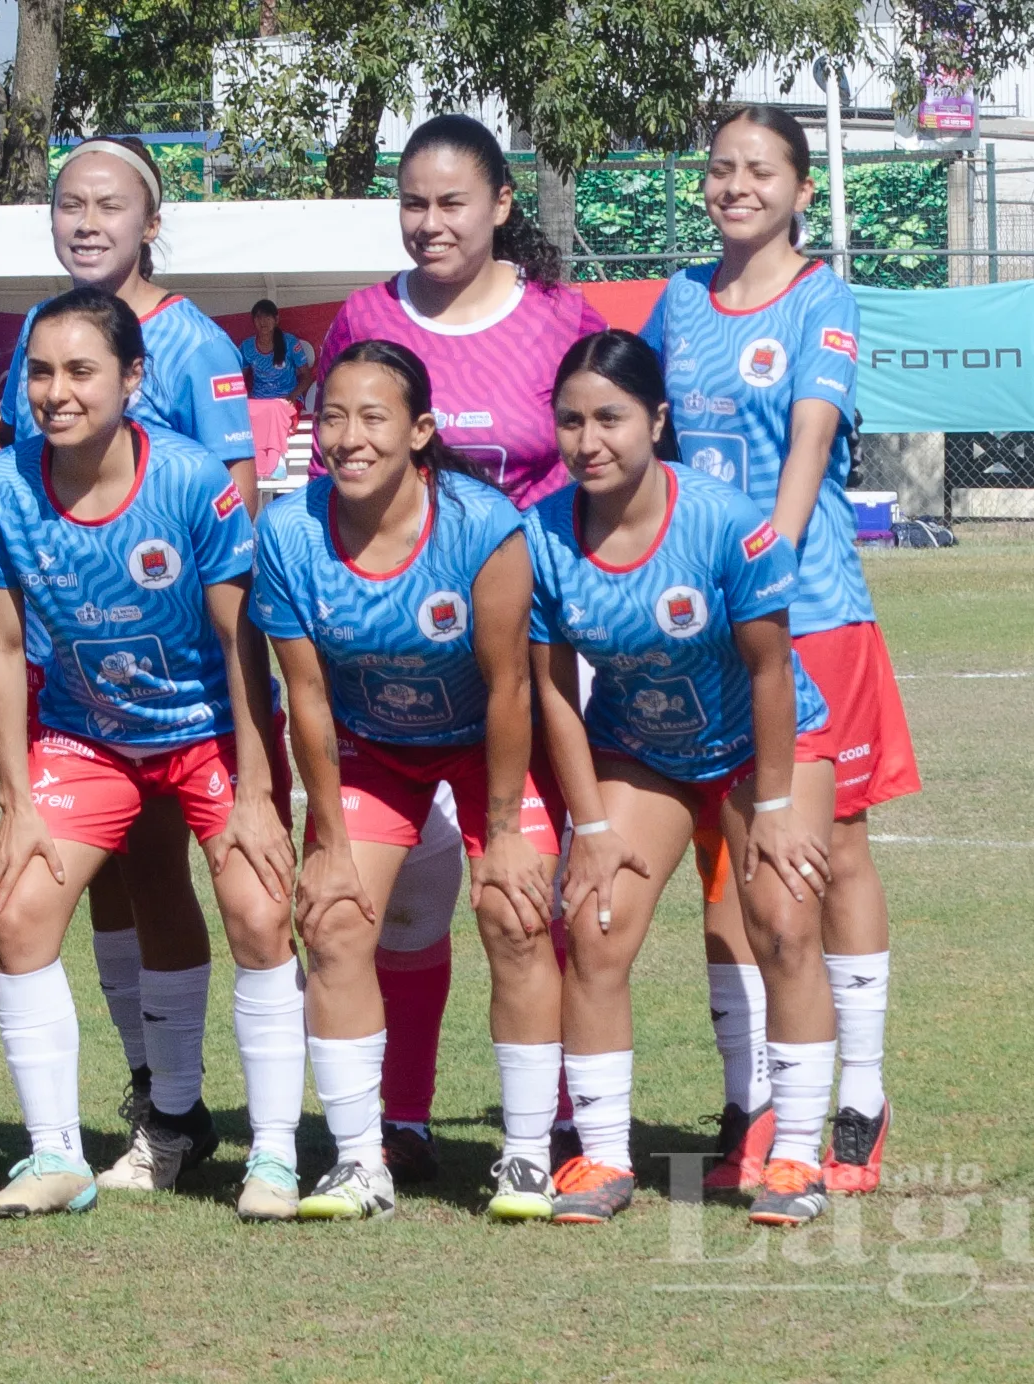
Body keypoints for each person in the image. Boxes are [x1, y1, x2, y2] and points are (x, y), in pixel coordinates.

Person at [0, 286, 302, 1221]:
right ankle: (56, 1156)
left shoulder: (191, 480)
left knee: (259, 910)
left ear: (132, 378)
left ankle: (271, 1158)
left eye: (80, 371)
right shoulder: (2, 485)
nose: (55, 392)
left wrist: (260, 787)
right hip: (84, 738)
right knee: (20, 909)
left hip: (206, 736)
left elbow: (244, 643)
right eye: (38, 371)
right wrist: (17, 800)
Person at [314, 113, 612, 1183]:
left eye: (452, 202)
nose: (430, 223)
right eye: (413, 203)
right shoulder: (359, 317)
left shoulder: (556, 317)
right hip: (390, 662)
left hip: (528, 660)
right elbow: (334, 472)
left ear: (498, 206)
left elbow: (604, 454)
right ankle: (399, 1117)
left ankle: (565, 1117)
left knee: (535, 888)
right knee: (397, 899)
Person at [643, 106, 919, 1195]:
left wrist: (761, 568)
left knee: (831, 854)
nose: (735, 185)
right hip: (705, 625)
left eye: (760, 170)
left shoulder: (823, 298)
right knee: (733, 868)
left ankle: (860, 1097)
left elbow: (809, 444)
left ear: (802, 190)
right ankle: (758, 1100)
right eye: (720, 168)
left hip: (810, 618)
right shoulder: (677, 300)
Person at [0, 135, 262, 1196]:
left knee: (166, 886)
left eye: (108, 206)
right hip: (76, 693)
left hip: (182, 691)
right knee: (105, 891)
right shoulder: (46, 341)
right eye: (68, 206)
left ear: (152, 220)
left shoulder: (191, 343)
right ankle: (148, 1087)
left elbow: (236, 509)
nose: (86, 222)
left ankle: (173, 1105)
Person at [526, 329, 840, 1228]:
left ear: (657, 420)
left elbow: (770, 669)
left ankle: (794, 1159)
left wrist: (775, 808)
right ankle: (603, 1160)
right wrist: (589, 829)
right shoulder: (542, 535)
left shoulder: (724, 523)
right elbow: (551, 690)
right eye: (572, 421)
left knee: (782, 920)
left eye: (612, 419)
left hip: (763, 745)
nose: (590, 441)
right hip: (640, 749)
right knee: (595, 922)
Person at [253, 341, 559, 1222]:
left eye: (373, 417)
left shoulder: (481, 523)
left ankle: (527, 1158)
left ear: (420, 431)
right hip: (373, 750)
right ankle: (360, 1163)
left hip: (482, 744)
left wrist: (502, 831)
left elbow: (510, 687)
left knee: (515, 911)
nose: (347, 438)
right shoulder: (288, 530)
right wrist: (330, 844)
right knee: (335, 919)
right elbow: (304, 696)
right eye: (332, 417)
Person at [237, 299, 314, 401]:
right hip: (259, 401)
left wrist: (293, 396)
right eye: (258, 317)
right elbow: (238, 378)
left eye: (267, 316)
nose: (262, 321)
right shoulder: (247, 346)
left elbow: (307, 376)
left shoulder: (290, 342)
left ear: (276, 319)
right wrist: (245, 399)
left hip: (287, 400)